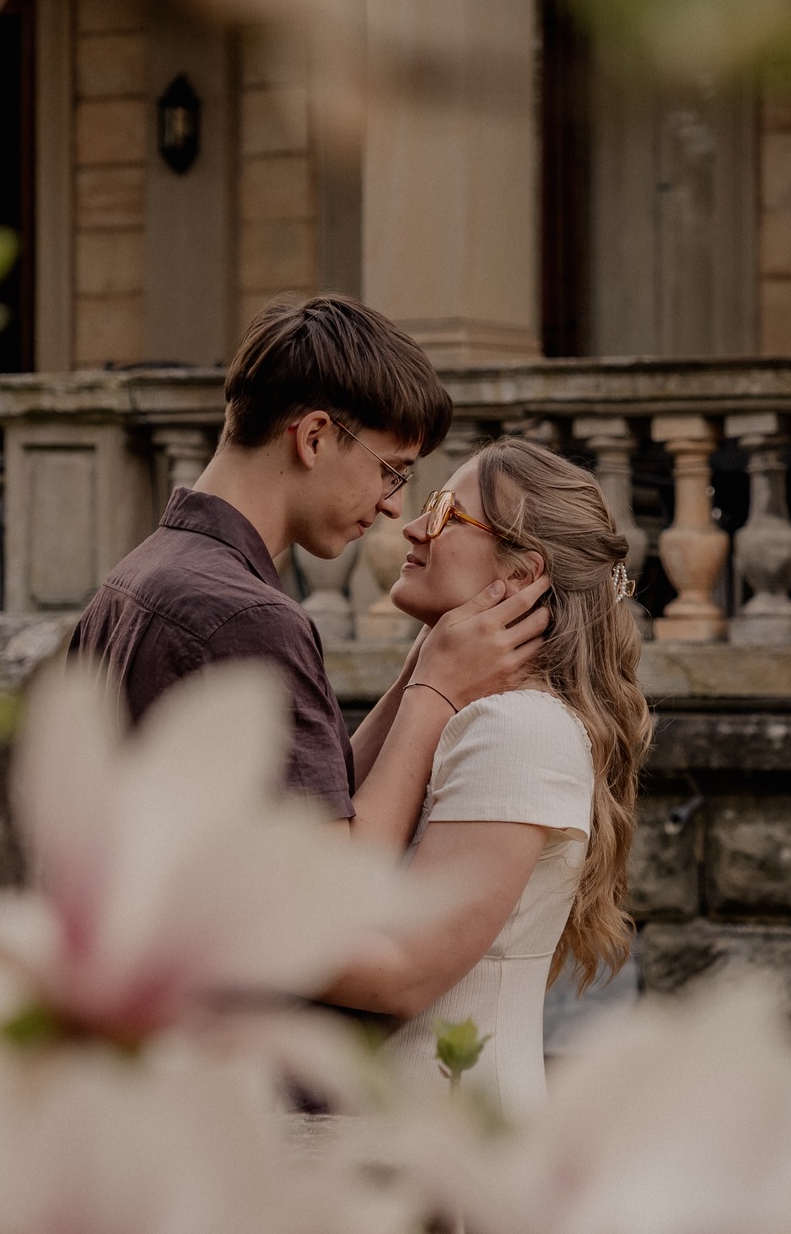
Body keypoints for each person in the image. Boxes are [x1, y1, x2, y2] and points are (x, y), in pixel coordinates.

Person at [71, 295, 552, 847]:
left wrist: (417, 672)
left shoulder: (130, 580)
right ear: (315, 437)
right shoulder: (248, 618)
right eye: (392, 471)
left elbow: (318, 796)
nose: (396, 506)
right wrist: (434, 693)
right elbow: (332, 881)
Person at [325, 438, 652, 1118]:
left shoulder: (516, 729)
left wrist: (231, 936)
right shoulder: (480, 714)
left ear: (522, 573)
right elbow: (329, 826)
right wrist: (427, 670)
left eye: (447, 511)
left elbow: (405, 974)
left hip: (453, 1139)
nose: (413, 525)